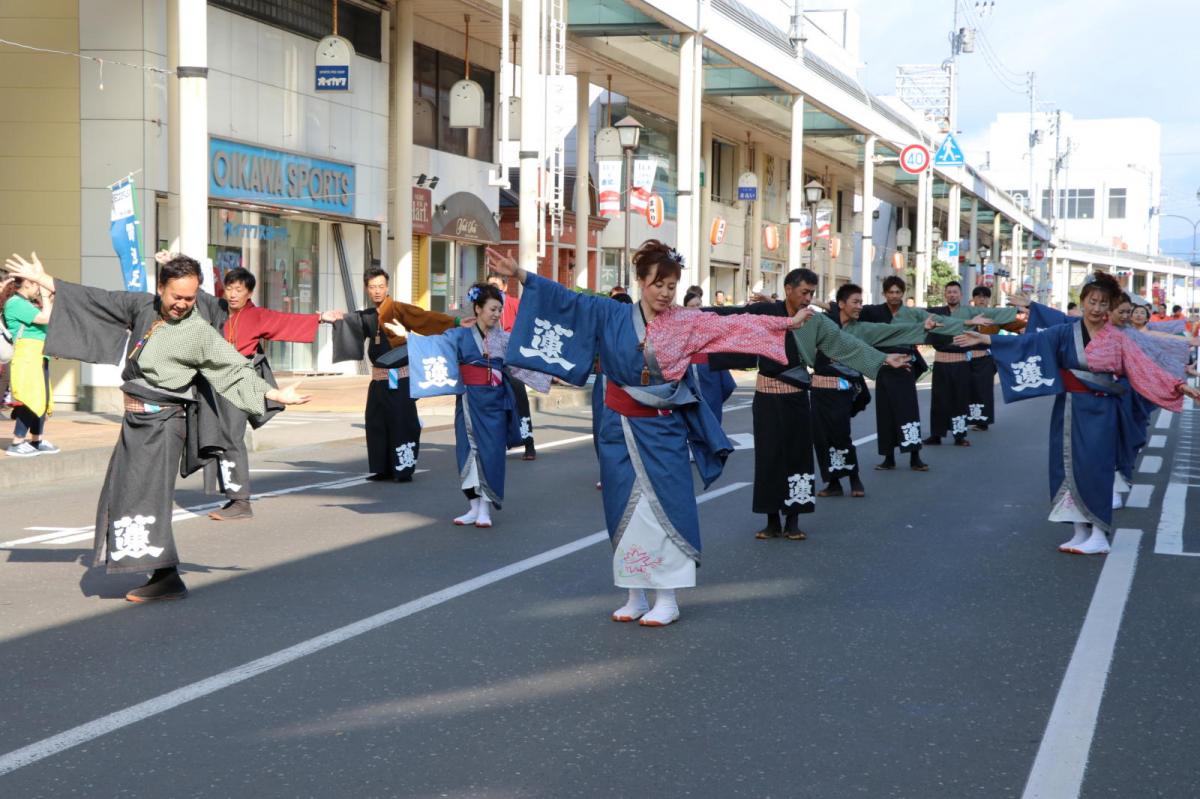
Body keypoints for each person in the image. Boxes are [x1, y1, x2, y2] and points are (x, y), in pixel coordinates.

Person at [494, 240, 818, 627]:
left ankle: (667, 598)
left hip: (663, 427)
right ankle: (635, 594)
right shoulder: (610, 313)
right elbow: (567, 300)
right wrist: (521, 275)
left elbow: (734, 323)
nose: (665, 293)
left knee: (664, 507)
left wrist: (786, 323)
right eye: (657, 284)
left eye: (671, 286)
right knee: (624, 508)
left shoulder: (687, 321)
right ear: (640, 281)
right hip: (618, 426)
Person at [3, 252, 309, 601]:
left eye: (190, 298)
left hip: (164, 424)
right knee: (124, 493)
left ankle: (166, 576)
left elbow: (233, 368)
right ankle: (160, 571)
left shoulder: (197, 332)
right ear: (161, 287)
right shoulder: (141, 306)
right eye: (176, 296)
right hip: (135, 422)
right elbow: (97, 299)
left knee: (148, 498)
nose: (182, 304)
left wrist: (274, 394)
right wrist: (44, 280)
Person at [956, 271, 1200, 555]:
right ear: (1083, 302)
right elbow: (1029, 343)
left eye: (1103, 303)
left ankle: (1098, 533)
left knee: (1096, 468)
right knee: (1065, 466)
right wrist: (987, 340)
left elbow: (1142, 366)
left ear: (1109, 306)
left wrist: (1178, 385)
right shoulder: (1065, 331)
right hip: (1069, 407)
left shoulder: (1118, 338)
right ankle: (1079, 531)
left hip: (1102, 410)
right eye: (1092, 302)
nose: (1096, 308)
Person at [709, 269, 910, 540]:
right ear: (788, 289)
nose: (808, 298)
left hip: (796, 399)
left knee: (797, 458)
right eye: (804, 292)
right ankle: (771, 520)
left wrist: (883, 359)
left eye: (811, 293)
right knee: (769, 458)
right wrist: (684, 316)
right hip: (766, 399)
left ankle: (793, 520)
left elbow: (844, 343)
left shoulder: (814, 320)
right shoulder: (766, 312)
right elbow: (729, 317)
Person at [398, 282, 551, 529]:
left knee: (491, 454)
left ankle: (485, 509)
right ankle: (473, 507)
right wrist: (408, 338)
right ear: (478, 309)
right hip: (469, 402)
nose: (497, 314)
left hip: (495, 403)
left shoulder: (504, 339)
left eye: (499, 310)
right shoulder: (460, 335)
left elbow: (525, 359)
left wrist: (552, 370)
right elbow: (434, 346)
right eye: (492, 309)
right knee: (467, 452)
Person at [205, 266, 343, 520]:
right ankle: (233, 496)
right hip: (214, 383)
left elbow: (286, 321)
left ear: (249, 293)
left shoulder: (257, 316)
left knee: (231, 437)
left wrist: (322, 318)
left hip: (241, 383)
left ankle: (240, 501)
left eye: (239, 290)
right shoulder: (217, 309)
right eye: (229, 289)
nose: (233, 294)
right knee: (218, 437)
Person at [813, 283, 947, 497]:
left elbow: (890, 330)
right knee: (822, 438)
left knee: (841, 435)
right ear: (841, 304)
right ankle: (834, 483)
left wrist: (922, 327)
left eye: (861, 302)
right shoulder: (824, 324)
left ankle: (855, 478)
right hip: (819, 390)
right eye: (855, 302)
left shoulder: (862, 328)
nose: (860, 306)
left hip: (844, 388)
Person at [332, 267, 461, 482]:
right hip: (378, 380)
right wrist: (333, 319)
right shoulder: (367, 316)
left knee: (402, 422)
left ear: (387, 287)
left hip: (399, 378)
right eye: (372, 287)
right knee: (376, 422)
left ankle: (403, 469)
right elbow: (350, 321)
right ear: (366, 289)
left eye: (381, 286)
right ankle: (382, 468)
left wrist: (455, 322)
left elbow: (424, 318)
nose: (377, 291)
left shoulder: (399, 309)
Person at [858, 275, 943, 471]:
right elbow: (848, 312)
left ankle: (915, 457)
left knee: (908, 411)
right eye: (890, 292)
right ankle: (888, 458)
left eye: (898, 292)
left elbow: (937, 321)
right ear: (884, 293)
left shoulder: (912, 313)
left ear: (903, 293)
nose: (894, 295)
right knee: (885, 411)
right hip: (884, 365)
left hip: (905, 365)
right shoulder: (873, 311)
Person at [923, 281, 1017, 446]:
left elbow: (996, 314)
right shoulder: (936, 312)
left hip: (961, 362)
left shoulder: (970, 312)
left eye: (955, 292)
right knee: (939, 400)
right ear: (945, 295)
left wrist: (1023, 311)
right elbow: (919, 316)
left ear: (961, 295)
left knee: (960, 400)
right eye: (949, 292)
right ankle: (936, 434)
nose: (952, 295)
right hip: (941, 361)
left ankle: (959, 435)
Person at [2, 272, 57, 456]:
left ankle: (37, 440)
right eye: (36, 284)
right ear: (26, 283)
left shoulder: (28, 303)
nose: (39, 288)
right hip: (27, 355)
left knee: (42, 399)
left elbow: (49, 321)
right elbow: (45, 319)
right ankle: (17, 442)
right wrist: (46, 298)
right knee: (31, 398)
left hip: (39, 354)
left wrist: (48, 300)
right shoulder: (15, 303)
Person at [963, 285, 1025, 432]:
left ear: (989, 299)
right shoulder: (964, 314)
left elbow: (1015, 324)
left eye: (985, 297)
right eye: (978, 296)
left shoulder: (995, 315)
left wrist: (1025, 328)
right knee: (965, 389)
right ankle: (963, 419)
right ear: (973, 298)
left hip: (986, 357)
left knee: (983, 390)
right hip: (964, 357)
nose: (981, 299)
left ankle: (982, 422)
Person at [488, 273, 536, 460]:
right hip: (491, 361)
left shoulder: (515, 304)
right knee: (494, 403)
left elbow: (527, 327)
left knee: (520, 400)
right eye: (489, 285)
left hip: (513, 360)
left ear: (505, 287)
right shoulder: (483, 306)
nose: (493, 289)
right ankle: (498, 443)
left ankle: (529, 444)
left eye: (496, 286)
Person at [683, 289, 736, 423]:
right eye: (692, 306)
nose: (696, 309)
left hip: (711, 376)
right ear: (685, 309)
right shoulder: (680, 332)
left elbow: (728, 385)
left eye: (698, 305)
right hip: (691, 383)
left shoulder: (712, 330)